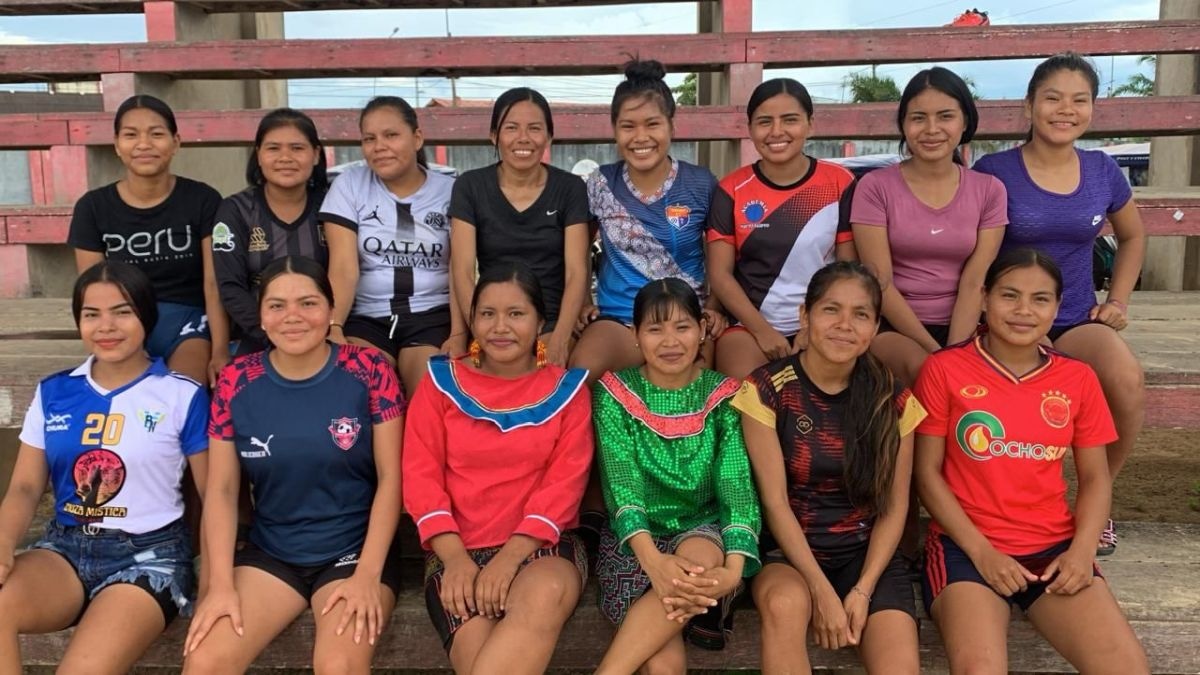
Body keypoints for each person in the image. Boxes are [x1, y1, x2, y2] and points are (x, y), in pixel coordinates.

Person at [913, 248, 1149, 675]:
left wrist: (1081, 552)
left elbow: (1096, 478)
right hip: (967, 550)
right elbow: (927, 474)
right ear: (984, 298)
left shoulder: (1077, 377)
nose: (1024, 310)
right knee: (979, 668)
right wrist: (983, 553)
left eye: (1040, 299)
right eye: (1009, 295)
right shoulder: (944, 369)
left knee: (1125, 667)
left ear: (1056, 308)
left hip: (1053, 549)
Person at [182, 255, 404, 674]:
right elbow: (222, 490)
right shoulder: (235, 380)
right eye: (277, 305)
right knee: (205, 660)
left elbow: (393, 478)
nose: (293, 317)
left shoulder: (369, 370)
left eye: (308, 303)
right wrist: (220, 585)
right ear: (261, 316)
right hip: (274, 552)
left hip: (353, 551)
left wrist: (367, 575)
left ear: (331, 309)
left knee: (338, 665)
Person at [973, 53, 1146, 555]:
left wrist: (1117, 300)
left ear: (1092, 108)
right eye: (1052, 98)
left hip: (1075, 317)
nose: (1065, 110)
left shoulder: (1101, 170)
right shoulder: (995, 171)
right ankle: (1008, 512)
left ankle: (1097, 500)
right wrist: (1006, 320)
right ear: (1029, 105)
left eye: (1079, 100)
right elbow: (976, 254)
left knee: (1127, 379)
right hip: (1010, 319)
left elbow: (1133, 236)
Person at [0, 261, 208, 674]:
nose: (106, 326)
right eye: (91, 314)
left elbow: (215, 493)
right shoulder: (55, 391)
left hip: (148, 556)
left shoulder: (180, 395)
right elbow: (25, 487)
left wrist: (217, 581)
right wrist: (4, 544)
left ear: (145, 316)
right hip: (64, 550)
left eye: (122, 312)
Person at [734, 261, 925, 674]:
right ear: (805, 316)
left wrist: (862, 589)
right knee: (784, 604)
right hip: (785, 553)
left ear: (875, 327)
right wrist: (821, 591)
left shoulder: (893, 400)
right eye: (830, 309)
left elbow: (894, 508)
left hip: (866, 554)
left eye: (861, 315)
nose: (844, 325)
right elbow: (775, 502)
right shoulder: (766, 390)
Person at [403, 263, 592, 675]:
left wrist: (509, 559)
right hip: (456, 552)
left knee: (542, 595)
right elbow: (420, 476)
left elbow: (564, 484)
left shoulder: (567, 390)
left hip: (542, 550)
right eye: (487, 314)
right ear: (472, 321)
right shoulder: (440, 382)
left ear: (540, 322)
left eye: (516, 314)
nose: (500, 327)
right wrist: (456, 561)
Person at [593, 278, 761, 675]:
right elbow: (621, 484)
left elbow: (736, 484)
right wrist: (652, 561)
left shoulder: (724, 395)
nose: (670, 341)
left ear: (702, 330)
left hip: (701, 532)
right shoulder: (614, 393)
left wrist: (733, 570)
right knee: (662, 663)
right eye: (655, 329)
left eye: (682, 327)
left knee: (697, 565)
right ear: (634, 335)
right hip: (633, 539)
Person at [851, 66, 1007, 386]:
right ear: (904, 124)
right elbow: (880, 281)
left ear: (965, 121)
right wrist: (936, 353)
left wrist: (956, 350)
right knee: (929, 373)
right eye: (918, 118)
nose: (931, 129)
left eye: (945, 116)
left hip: (966, 324)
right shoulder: (875, 187)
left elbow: (975, 280)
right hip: (892, 326)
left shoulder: (989, 190)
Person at [572, 59, 724, 385]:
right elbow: (578, 250)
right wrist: (584, 301)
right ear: (614, 129)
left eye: (652, 124)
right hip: (620, 321)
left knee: (699, 389)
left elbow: (721, 257)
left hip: (685, 320)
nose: (641, 137)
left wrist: (714, 308)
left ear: (672, 126)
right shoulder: (600, 182)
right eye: (628, 126)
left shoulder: (700, 183)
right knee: (580, 375)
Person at [69, 94, 227, 386]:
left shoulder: (203, 199)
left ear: (175, 142)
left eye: (156, 134)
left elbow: (213, 284)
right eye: (131, 135)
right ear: (117, 144)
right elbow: (92, 291)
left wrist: (219, 351)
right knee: (130, 394)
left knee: (181, 391)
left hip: (188, 323)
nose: (144, 144)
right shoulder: (92, 207)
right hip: (122, 321)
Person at [708, 78, 857, 379]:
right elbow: (720, 275)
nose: (776, 132)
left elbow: (846, 270)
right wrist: (762, 331)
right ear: (750, 128)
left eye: (790, 120)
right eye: (765, 122)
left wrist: (813, 326)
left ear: (810, 124)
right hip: (749, 326)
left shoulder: (840, 182)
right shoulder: (731, 188)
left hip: (823, 322)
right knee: (750, 392)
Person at [321, 96, 459, 397]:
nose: (379, 146)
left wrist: (460, 332)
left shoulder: (451, 191)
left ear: (417, 138)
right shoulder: (350, 184)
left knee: (428, 391)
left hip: (431, 316)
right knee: (362, 386)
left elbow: (460, 268)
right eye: (369, 138)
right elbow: (343, 267)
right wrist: (334, 327)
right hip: (367, 317)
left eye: (391, 135)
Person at [449, 87, 591, 367]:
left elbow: (577, 271)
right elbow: (462, 270)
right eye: (511, 128)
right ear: (494, 136)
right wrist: (478, 331)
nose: (523, 138)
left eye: (534, 128)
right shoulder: (470, 186)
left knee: (541, 373)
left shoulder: (570, 188)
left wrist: (561, 339)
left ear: (549, 137)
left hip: (550, 321)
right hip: (493, 319)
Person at [212, 108, 329, 356]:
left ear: (316, 154)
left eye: (297, 148)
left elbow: (346, 273)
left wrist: (323, 329)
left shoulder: (333, 204)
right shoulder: (236, 209)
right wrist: (272, 332)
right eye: (273, 148)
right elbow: (230, 286)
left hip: (324, 332)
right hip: (257, 333)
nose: (285, 157)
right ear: (258, 155)